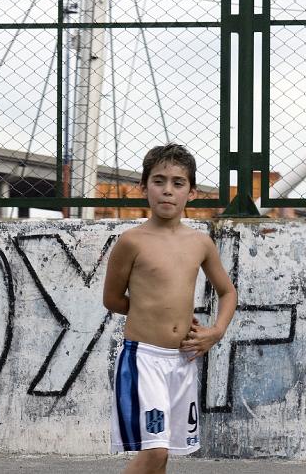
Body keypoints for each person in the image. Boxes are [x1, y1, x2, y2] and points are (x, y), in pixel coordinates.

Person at [103, 144, 237, 474]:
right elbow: (112, 299)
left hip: (181, 360)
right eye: (159, 181)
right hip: (143, 359)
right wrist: (153, 312)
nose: (167, 190)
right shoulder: (132, 242)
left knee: (164, 454)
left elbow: (227, 292)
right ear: (144, 187)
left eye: (178, 183)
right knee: (155, 452)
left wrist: (215, 332)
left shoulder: (200, 242)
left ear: (191, 192)